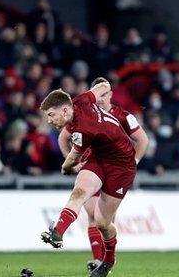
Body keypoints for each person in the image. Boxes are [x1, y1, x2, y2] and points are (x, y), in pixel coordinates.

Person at [39, 81, 144, 277]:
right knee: (79, 192)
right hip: (98, 158)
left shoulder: (83, 129)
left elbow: (72, 158)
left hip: (121, 167)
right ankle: (58, 232)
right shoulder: (81, 100)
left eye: (51, 115)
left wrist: (66, 168)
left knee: (103, 222)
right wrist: (104, 87)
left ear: (64, 110)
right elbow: (102, 86)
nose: (50, 121)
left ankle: (108, 261)